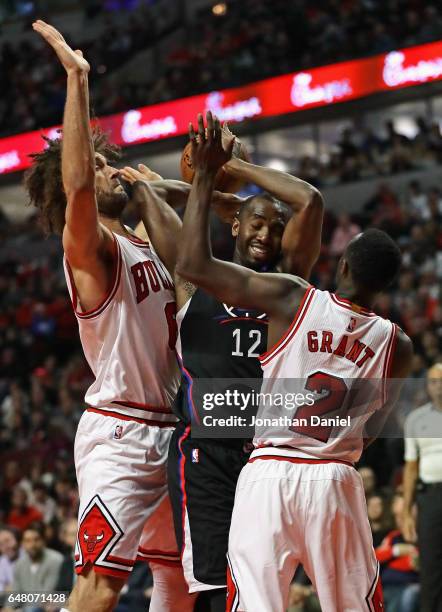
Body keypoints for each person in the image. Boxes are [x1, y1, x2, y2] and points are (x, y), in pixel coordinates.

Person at [176, 112, 414, 611]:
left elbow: (194, 264)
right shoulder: (398, 344)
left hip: (267, 475)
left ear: (342, 265)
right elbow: (372, 431)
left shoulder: (294, 298)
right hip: (334, 477)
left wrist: (211, 174)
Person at [25, 20, 193, 612]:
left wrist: (187, 189)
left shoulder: (143, 239)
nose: (109, 171)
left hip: (171, 428)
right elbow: (76, 191)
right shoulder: (90, 249)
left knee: (178, 579)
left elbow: (194, 264)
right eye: (98, 165)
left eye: (107, 163)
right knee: (99, 589)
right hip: (120, 433)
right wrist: (77, 81)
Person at [129, 121, 322, 609]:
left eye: (275, 227)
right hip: (206, 456)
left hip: (265, 457)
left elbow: (310, 202)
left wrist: (230, 168)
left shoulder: (287, 285)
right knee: (214, 585)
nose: (266, 233)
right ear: (234, 225)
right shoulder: (196, 279)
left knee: (260, 584)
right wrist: (208, 186)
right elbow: (151, 198)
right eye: (256, 222)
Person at [403, 362, 442, 612]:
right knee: (430, 567)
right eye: (434, 382)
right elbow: (410, 468)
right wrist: (406, 511)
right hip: (430, 497)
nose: (439, 387)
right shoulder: (415, 420)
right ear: (427, 386)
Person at [11, 524, 63, 597]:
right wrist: (8, 607)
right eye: (27, 540)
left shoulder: (56, 559)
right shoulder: (19, 564)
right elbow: (15, 594)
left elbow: (47, 594)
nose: (32, 544)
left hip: (47, 606)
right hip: (25, 606)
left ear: (43, 541)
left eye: (36, 539)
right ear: (22, 544)